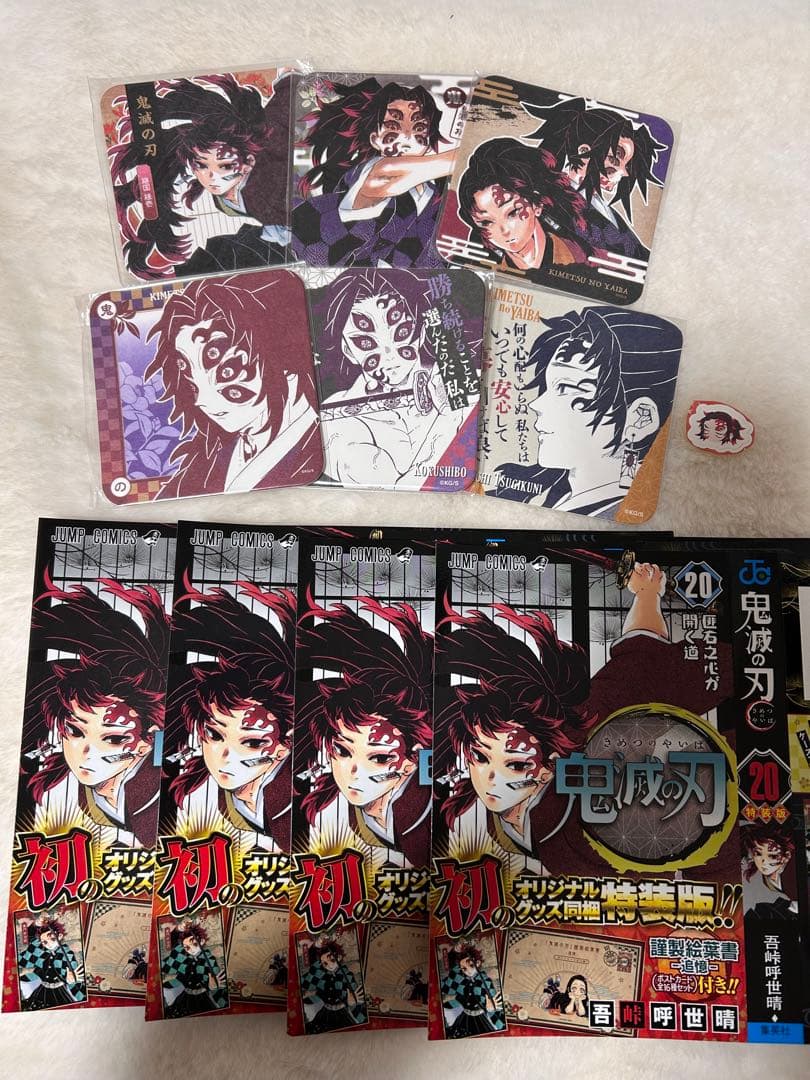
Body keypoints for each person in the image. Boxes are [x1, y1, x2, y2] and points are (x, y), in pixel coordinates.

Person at [436, 559, 733, 870]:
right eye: (480, 757)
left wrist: (647, 595)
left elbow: (638, 669)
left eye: (516, 764)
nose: (490, 779)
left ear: (548, 766)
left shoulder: (585, 731)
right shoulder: (498, 823)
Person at [491, 306, 682, 517]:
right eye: (548, 388)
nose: (536, 404)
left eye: (566, 387)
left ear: (639, 419)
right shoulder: (554, 495)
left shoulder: (617, 510)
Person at [144, 275, 321, 498]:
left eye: (226, 370)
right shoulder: (207, 461)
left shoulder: (326, 445)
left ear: (281, 349)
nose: (201, 401)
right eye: (192, 381)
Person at [25, 572, 168, 849]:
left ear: (147, 741)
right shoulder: (84, 793)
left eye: (113, 738)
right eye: (75, 731)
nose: (86, 753)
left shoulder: (152, 793)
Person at [109, 73, 292, 278]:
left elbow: (278, 121)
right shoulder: (228, 194)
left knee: (224, 251)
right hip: (284, 234)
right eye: (202, 165)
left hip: (300, 233)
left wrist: (289, 83)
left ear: (248, 162)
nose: (212, 176)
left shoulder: (264, 186)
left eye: (225, 166)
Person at [298, 596, 433, 867]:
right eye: (342, 750)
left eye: (379, 758)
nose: (353, 772)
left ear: (412, 759)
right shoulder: (331, 812)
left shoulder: (422, 814)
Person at [169, 581, 296, 852]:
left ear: (285, 744)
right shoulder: (196, 793)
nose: (225, 756)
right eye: (214, 735)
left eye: (252, 742)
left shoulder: (291, 799)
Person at [315, 270, 470, 487]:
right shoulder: (335, 419)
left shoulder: (459, 380)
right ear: (348, 350)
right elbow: (395, 492)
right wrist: (450, 419)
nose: (389, 355)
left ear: (421, 330)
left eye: (402, 332)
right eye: (366, 343)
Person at [291, 78, 455, 267]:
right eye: (393, 126)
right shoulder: (376, 172)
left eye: (419, 127)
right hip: (335, 268)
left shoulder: (435, 194)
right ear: (375, 139)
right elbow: (446, 163)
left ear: (429, 138)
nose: (407, 135)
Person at [523, 97, 667, 260]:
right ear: (584, 152)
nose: (624, 173)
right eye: (615, 159)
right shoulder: (554, 203)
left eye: (627, 165)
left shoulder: (601, 206)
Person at [456, 138, 591, 275]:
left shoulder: (582, 256)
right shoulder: (474, 269)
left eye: (513, 212)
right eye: (486, 222)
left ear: (537, 204)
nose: (505, 231)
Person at [17, 918, 85, 1011]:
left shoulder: (66, 954)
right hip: (42, 989)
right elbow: (39, 970)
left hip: (58, 992)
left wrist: (69, 979)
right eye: (44, 942)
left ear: (60, 936)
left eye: (52, 939)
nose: (48, 944)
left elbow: (71, 974)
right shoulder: (43, 953)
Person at [161, 924, 226, 1017]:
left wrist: (211, 987)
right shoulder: (184, 956)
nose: (191, 950)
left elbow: (214, 981)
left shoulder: (209, 960)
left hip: (202, 999)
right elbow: (172, 950)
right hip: (186, 995)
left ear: (202, 941)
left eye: (195, 944)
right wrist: (178, 929)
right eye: (187, 947)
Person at [300, 940, 365, 1032]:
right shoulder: (322, 974)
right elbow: (315, 988)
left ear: (339, 957)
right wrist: (312, 992)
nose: (329, 965)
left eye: (332, 959)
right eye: (324, 963)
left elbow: (356, 999)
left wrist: (350, 1003)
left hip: (342, 1014)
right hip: (325, 1012)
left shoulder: (346, 976)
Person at [440, 944, 504, 1037]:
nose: (468, 971)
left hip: (479, 1019)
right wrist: (454, 1000)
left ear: (478, 963)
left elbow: (494, 1005)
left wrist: (490, 1008)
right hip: (464, 1017)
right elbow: (452, 990)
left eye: (471, 965)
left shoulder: (485, 982)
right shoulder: (462, 979)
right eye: (464, 969)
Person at [741, 824, 798, 918]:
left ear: (787, 856)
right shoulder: (767, 876)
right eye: (758, 853)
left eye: (772, 856)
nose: (764, 861)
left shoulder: (791, 875)